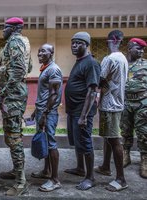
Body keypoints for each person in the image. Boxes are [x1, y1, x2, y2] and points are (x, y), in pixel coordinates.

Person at [0, 17, 32, 196]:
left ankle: (21, 182)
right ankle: (16, 171)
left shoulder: (15, 42)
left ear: (14, 28)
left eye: (5, 27)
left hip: (13, 97)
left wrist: (2, 94)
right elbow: (29, 66)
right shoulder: (23, 43)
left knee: (14, 137)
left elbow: (18, 70)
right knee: (11, 136)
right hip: (15, 95)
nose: (3, 30)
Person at [65, 32, 100, 190]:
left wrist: (84, 116)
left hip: (82, 112)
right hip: (73, 110)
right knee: (77, 141)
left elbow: (92, 91)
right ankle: (80, 169)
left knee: (85, 143)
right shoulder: (79, 61)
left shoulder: (91, 63)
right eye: (73, 42)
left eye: (78, 43)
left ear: (86, 45)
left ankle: (90, 177)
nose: (74, 45)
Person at [94, 30, 128, 191]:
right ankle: (106, 166)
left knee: (114, 139)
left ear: (111, 41)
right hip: (118, 102)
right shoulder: (123, 58)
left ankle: (121, 179)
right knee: (109, 137)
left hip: (110, 104)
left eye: (107, 41)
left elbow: (99, 79)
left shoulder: (109, 59)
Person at [30, 43, 62, 192]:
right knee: (45, 142)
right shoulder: (45, 69)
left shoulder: (53, 70)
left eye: (44, 51)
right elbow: (44, 93)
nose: (40, 53)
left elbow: (54, 95)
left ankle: (55, 180)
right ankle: (46, 171)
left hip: (48, 113)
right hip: (42, 111)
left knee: (51, 144)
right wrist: (36, 111)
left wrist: (44, 113)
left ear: (51, 53)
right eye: (39, 51)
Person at [120, 38, 147, 179]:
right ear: (129, 48)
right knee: (125, 130)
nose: (141, 51)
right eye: (138, 48)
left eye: (142, 49)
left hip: (142, 102)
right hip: (125, 102)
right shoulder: (122, 64)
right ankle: (126, 155)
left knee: (144, 132)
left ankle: (144, 160)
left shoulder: (145, 64)